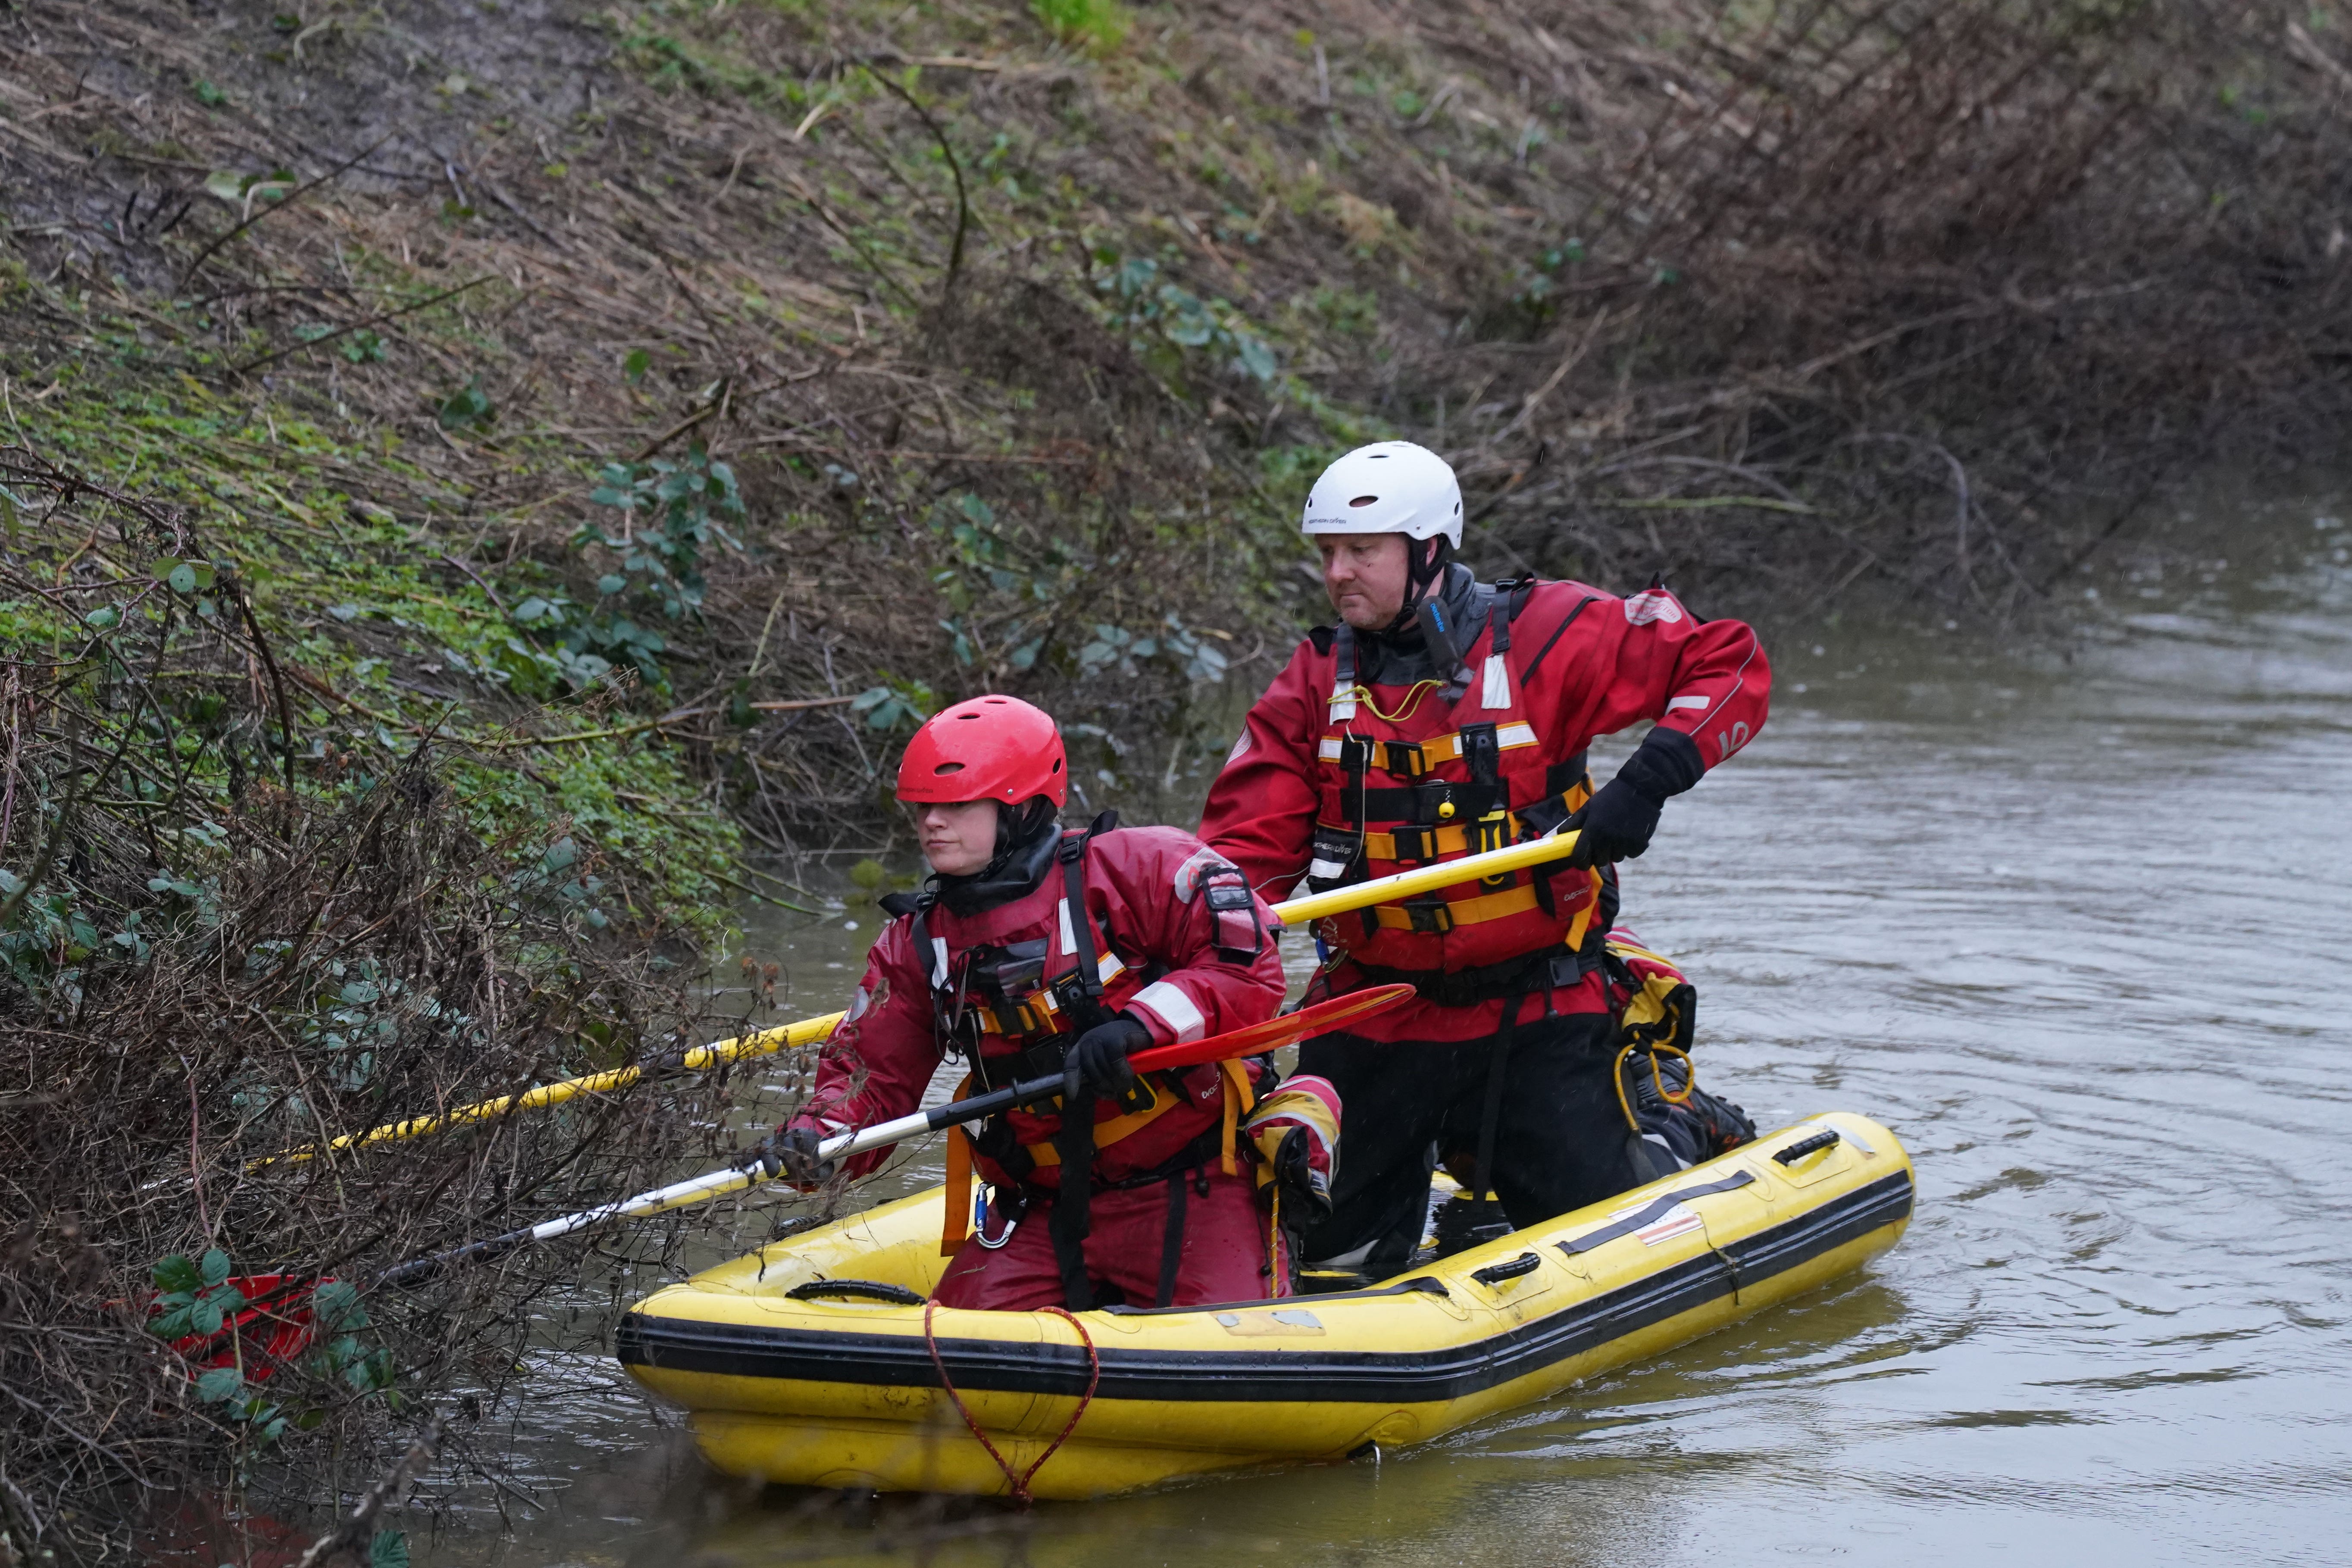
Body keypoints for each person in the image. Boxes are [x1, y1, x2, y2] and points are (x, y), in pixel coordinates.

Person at [1198, 440, 1771, 1278]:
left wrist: (1646, 782)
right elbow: (1240, 856)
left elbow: (1726, 661)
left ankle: (1669, 1113)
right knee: (1324, 1253)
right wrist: (1185, 962)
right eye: (1327, 554)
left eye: (1362, 551)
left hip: (1535, 1005)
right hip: (1375, 1009)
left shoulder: (1548, 632)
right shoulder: (1312, 683)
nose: (1338, 573)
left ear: (1429, 549)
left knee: (1600, 1233)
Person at [774, 693, 1328, 1311]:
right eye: (924, 806)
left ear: (1022, 805)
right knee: (944, 1360)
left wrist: (1140, 1026)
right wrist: (814, 1139)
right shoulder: (914, 944)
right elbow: (870, 1080)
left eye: (956, 804)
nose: (932, 821)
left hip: (1191, 1181)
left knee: (1233, 1353)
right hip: (1044, 1205)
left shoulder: (1136, 866)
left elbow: (1249, 968)